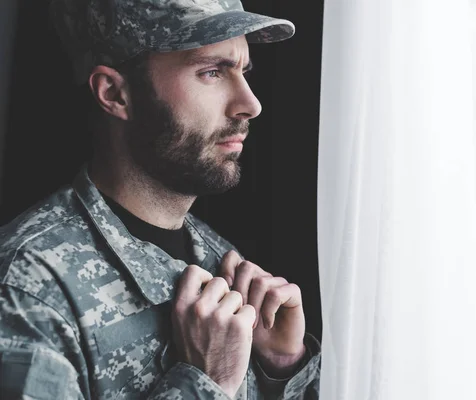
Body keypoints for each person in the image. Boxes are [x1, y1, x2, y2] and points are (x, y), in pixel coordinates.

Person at [0, 0, 321, 398]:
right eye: (211, 72)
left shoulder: (224, 262)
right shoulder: (29, 288)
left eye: (243, 71)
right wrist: (206, 384)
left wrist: (281, 370)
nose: (250, 104)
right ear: (115, 93)